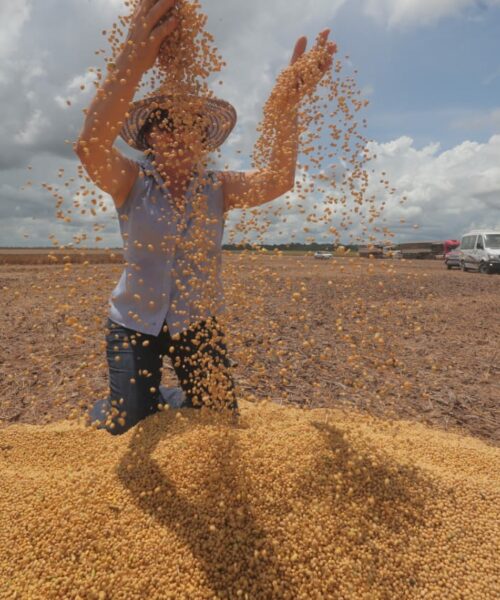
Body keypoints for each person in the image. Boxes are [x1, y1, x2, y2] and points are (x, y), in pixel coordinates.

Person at [75, 0, 336, 434]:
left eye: (192, 126)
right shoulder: (131, 181)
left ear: (204, 141)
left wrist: (288, 105)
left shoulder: (218, 187)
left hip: (198, 320)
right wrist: (132, 61)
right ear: (148, 138)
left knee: (221, 424)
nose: (179, 134)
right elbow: (90, 149)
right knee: (127, 426)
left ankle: (164, 397)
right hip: (133, 320)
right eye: (165, 123)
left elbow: (277, 179)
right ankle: (133, 402)